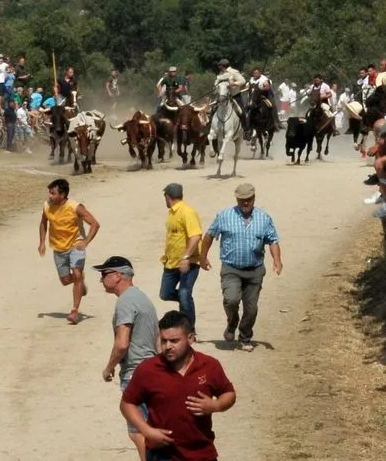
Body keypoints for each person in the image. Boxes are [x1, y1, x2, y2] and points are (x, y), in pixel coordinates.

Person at [121, 310, 236, 461]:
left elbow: (229, 393)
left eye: (174, 341)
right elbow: (127, 403)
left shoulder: (209, 365)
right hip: (162, 455)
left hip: (202, 454)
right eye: (163, 340)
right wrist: (146, 430)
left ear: (191, 338)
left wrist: (216, 405)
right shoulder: (148, 369)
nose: (167, 346)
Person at [200, 183, 282, 352]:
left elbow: (273, 240)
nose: (245, 203)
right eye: (242, 200)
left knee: (251, 309)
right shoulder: (225, 216)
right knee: (231, 300)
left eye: (249, 200)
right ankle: (232, 322)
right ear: (237, 199)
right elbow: (209, 235)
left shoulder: (264, 218)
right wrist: (203, 256)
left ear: (254, 198)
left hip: (255, 269)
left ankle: (245, 337)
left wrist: (277, 260)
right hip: (231, 268)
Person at [96, 255, 159, 461]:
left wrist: (108, 368)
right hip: (152, 371)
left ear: (118, 275)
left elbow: (122, 343)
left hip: (136, 375)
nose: (101, 280)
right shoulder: (142, 298)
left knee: (138, 432)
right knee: (150, 428)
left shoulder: (125, 301)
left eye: (104, 274)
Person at [37, 178, 100, 325]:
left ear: (63, 194)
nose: (50, 196)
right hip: (58, 247)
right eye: (49, 193)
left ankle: (74, 311)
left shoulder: (75, 207)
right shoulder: (46, 206)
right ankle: (80, 280)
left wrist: (85, 242)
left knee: (76, 273)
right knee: (65, 281)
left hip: (75, 244)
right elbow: (43, 222)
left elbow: (95, 224)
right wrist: (41, 242)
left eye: (53, 193)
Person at [159, 183, 202, 331]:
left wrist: (186, 257)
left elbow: (196, 236)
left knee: (184, 293)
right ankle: (186, 303)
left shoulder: (187, 212)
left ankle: (189, 329)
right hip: (171, 262)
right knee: (164, 294)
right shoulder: (172, 213)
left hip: (188, 262)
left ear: (167, 196)